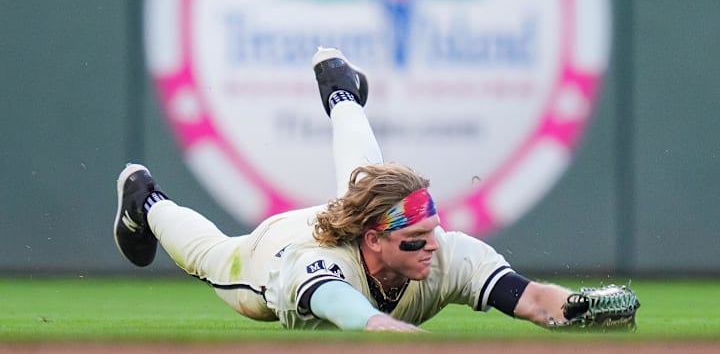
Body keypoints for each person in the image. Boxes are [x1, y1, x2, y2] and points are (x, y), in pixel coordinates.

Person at [113, 47, 638, 332]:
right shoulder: (320, 269)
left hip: (353, 216)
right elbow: (362, 322)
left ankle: (340, 88)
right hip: (276, 253)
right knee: (215, 257)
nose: (432, 243)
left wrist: (576, 307)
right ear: (374, 242)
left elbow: (532, 299)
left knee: (367, 180)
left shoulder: (444, 252)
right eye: (416, 236)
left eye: (431, 227)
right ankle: (145, 200)